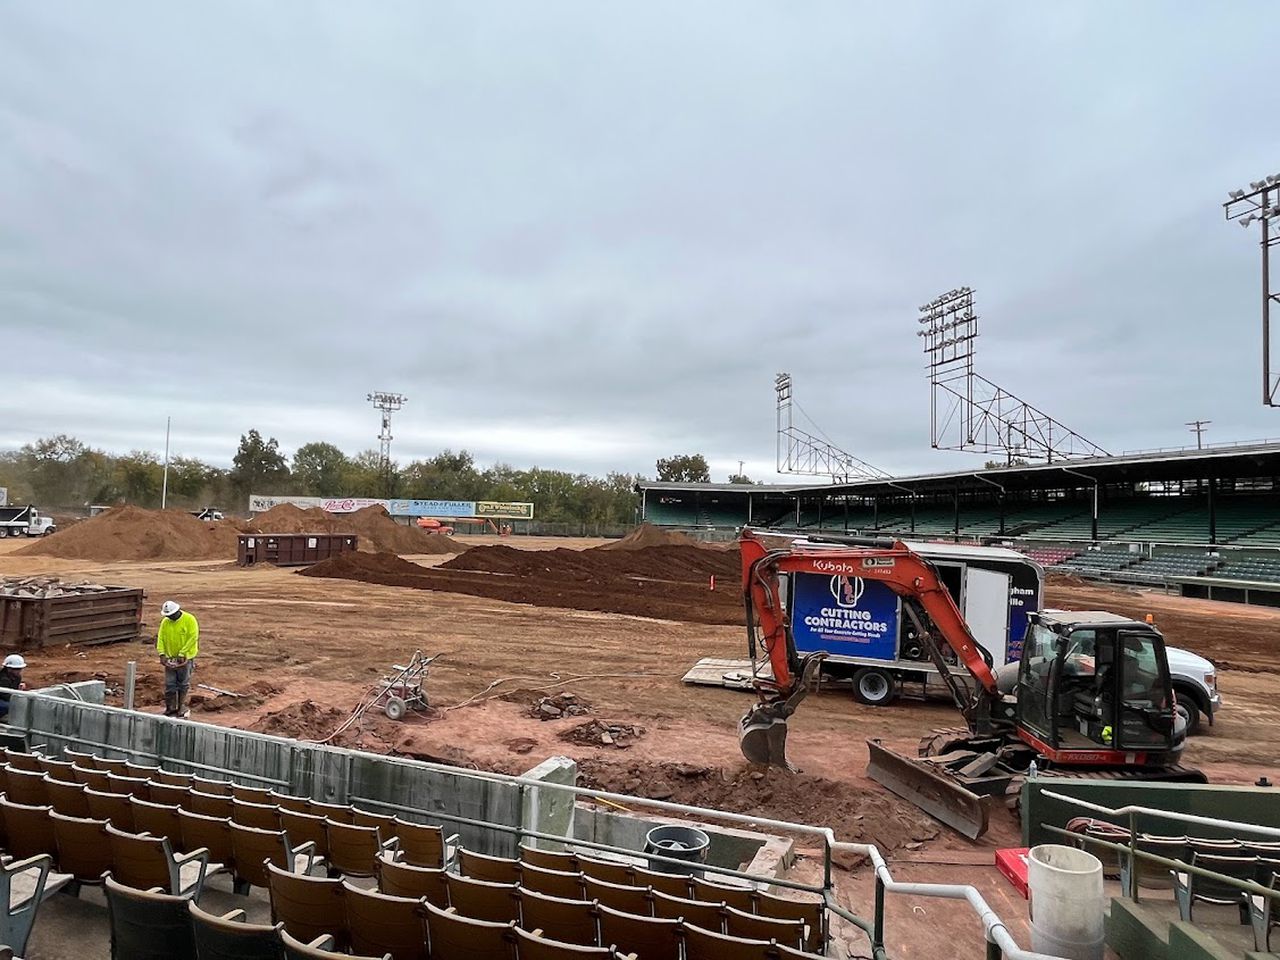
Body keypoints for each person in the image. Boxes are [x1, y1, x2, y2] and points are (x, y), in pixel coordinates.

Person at [156, 600, 198, 717]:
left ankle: (181, 707)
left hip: (185, 658)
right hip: (170, 658)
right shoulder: (165, 622)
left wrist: (182, 653)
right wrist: (162, 654)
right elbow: (161, 638)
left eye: (171, 615)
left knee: (183, 683)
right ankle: (170, 708)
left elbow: (192, 637)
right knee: (170, 684)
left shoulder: (189, 620)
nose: (169, 617)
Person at [0, 655, 27, 719]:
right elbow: (5, 695)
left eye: (20, 669)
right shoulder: (3, 679)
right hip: (2, 699)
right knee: (9, 706)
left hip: (7, 698)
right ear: (9, 669)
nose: (19, 671)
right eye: (17, 669)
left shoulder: (17, 677)